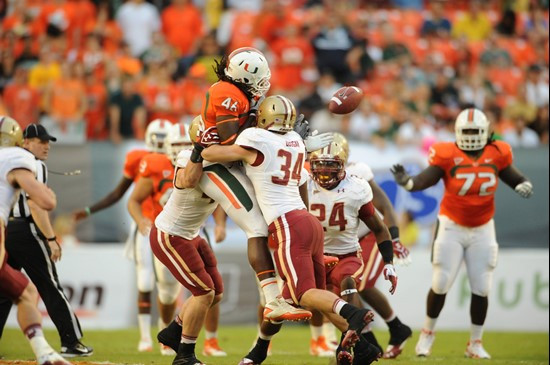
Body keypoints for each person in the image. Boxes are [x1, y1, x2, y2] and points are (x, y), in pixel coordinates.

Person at [200, 95, 396, 365]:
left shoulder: (256, 138)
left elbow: (211, 153)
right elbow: (303, 184)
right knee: (297, 299)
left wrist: (202, 140)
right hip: (309, 221)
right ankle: (360, 347)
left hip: (287, 224)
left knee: (302, 294)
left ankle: (352, 312)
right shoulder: (296, 144)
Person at [186, 47, 320, 323]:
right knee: (258, 225)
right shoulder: (227, 94)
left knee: (283, 195)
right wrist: (278, 133)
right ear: (244, 78)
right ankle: (273, 300)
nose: (262, 85)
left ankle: (302, 261)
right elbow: (227, 141)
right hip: (214, 160)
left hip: (227, 161)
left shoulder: (234, 92)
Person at [391, 108, 534, 359]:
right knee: (441, 282)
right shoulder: (447, 153)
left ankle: (475, 343)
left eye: (474, 131)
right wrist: (409, 183)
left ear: (485, 132)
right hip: (452, 226)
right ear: (457, 132)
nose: (469, 135)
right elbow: (426, 179)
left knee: (482, 287)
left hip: (482, 227)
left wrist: (523, 183)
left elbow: (512, 176)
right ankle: (427, 334)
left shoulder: (497, 152)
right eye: (466, 131)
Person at [73, 120, 177, 354]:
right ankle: (144, 337)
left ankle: (163, 332)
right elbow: (120, 194)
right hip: (145, 225)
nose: (161, 144)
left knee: (168, 285)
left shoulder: (180, 159)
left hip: (170, 229)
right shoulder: (140, 158)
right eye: (158, 138)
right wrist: (90, 211)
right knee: (145, 280)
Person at [307, 138, 404, 363]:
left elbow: (379, 228)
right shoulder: (303, 184)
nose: (324, 171)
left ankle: (346, 345)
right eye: (319, 164)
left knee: (347, 282)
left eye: (331, 165)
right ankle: (361, 345)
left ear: (342, 166)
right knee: (316, 300)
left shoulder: (356, 187)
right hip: (316, 255)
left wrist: (388, 262)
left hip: (347, 253)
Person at [0, 124, 92, 357]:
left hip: (7, 230)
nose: (46, 146)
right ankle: (71, 341)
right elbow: (35, 205)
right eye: (41, 141)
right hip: (28, 231)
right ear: (25, 142)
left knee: (4, 290)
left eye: (48, 142)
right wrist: (50, 238)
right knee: (50, 285)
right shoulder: (30, 164)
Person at [150, 121, 224, 365]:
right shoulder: (186, 157)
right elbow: (190, 179)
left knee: (216, 293)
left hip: (192, 234)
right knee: (203, 292)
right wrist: (198, 150)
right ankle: (185, 355)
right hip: (171, 234)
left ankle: (173, 331)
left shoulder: (229, 160)